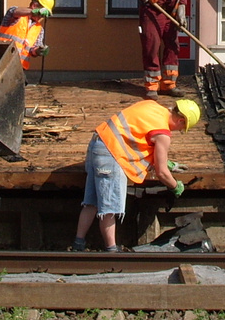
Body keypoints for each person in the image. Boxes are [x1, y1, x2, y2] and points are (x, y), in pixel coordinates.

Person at [72, 97, 200, 252]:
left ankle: (78, 243)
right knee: (109, 208)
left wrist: (165, 160)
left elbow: (137, 133)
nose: (178, 131)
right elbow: (162, 173)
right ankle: (111, 249)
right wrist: (175, 186)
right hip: (111, 154)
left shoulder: (152, 106)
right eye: (181, 128)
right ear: (181, 121)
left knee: (91, 203)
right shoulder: (163, 134)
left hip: (98, 142)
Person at [0, 0, 55, 70]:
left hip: (18, 69)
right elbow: (14, 12)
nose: (41, 17)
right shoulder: (17, 15)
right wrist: (34, 12)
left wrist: (39, 51)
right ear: (34, 6)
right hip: (0, 62)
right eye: (41, 14)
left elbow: (32, 50)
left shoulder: (39, 29)